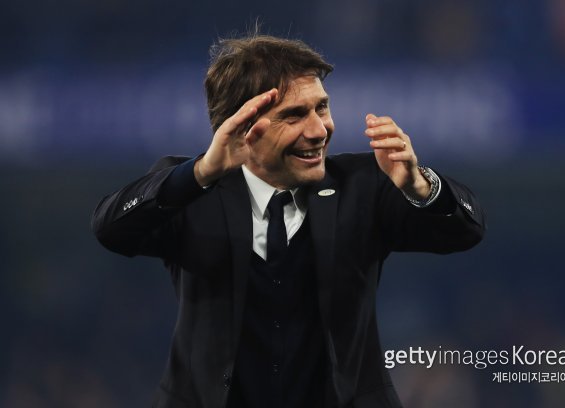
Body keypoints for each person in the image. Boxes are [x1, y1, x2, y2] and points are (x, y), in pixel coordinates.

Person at [92, 34, 485, 408]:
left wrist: (420, 186)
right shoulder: (191, 192)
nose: (319, 130)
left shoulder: (365, 184)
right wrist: (200, 173)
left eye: (321, 108)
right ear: (243, 126)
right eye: (294, 115)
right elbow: (111, 229)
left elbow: (466, 230)